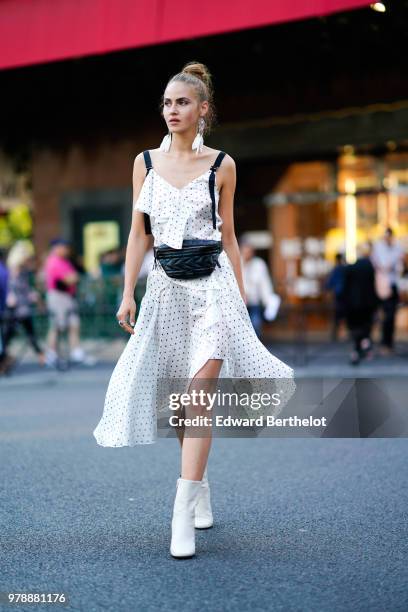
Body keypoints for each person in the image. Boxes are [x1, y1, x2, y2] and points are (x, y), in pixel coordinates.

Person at [92, 61, 295, 559]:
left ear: (203, 109)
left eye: (182, 102)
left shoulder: (223, 164)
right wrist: (126, 293)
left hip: (214, 290)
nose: (172, 111)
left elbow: (228, 234)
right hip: (165, 288)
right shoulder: (143, 162)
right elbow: (139, 234)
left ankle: (180, 513)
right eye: (166, 103)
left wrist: (242, 297)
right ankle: (198, 483)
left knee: (198, 392)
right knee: (180, 403)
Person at [43, 238, 89, 365]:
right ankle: (51, 354)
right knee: (57, 326)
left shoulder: (65, 261)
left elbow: (75, 276)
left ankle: (76, 351)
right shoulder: (54, 261)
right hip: (58, 296)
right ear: (56, 248)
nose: (66, 250)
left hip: (68, 296)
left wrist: (74, 276)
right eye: (64, 247)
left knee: (74, 324)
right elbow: (69, 279)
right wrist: (73, 277)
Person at [2, 241, 45, 367]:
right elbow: (10, 285)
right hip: (15, 306)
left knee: (27, 331)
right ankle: (4, 358)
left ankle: (40, 354)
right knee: (8, 334)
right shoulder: (13, 269)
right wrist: (11, 295)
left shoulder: (23, 270)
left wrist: (32, 295)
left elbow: (24, 287)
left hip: (23, 305)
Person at [342, 243, 379, 365]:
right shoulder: (370, 267)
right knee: (365, 326)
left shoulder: (351, 268)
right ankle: (363, 345)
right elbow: (373, 285)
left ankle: (358, 349)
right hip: (367, 302)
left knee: (356, 327)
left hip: (354, 303)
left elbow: (345, 286)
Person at [371, 227, 404, 355]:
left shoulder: (397, 247)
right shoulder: (379, 248)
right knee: (384, 316)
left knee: (390, 316)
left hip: (392, 285)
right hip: (381, 285)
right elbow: (382, 265)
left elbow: (398, 268)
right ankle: (383, 343)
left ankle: (387, 343)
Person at [239, 238, 278, 338]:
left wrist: (268, 302)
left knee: (256, 326)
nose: (248, 253)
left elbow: (265, 284)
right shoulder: (237, 263)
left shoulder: (259, 264)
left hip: (254, 303)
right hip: (239, 303)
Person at [325, 253, 346, 341]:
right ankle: (341, 333)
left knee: (338, 314)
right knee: (343, 314)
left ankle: (337, 333)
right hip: (344, 294)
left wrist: (327, 289)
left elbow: (330, 282)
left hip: (339, 294)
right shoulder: (344, 269)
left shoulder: (336, 269)